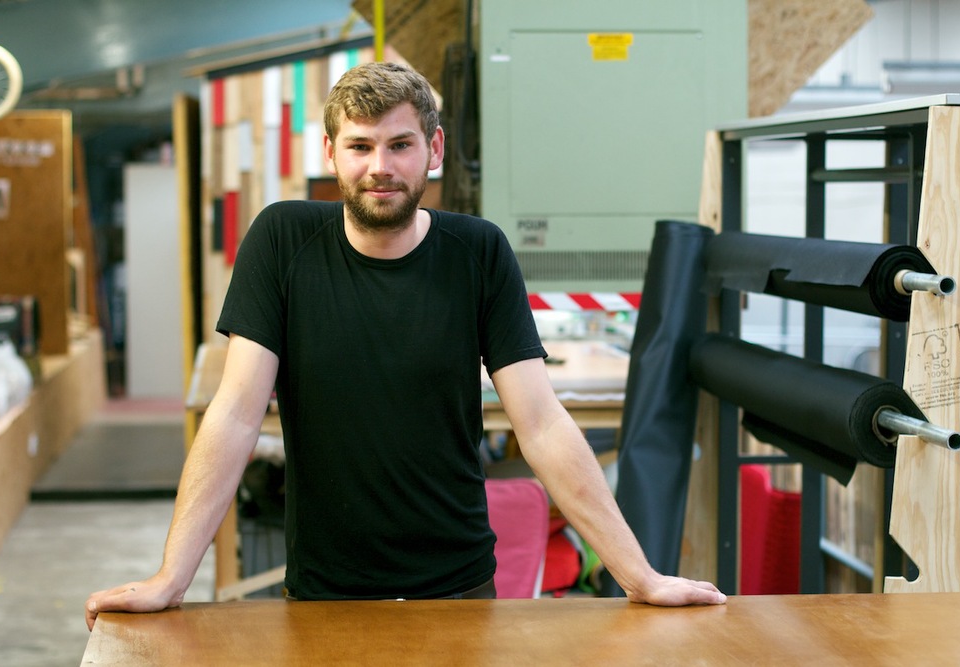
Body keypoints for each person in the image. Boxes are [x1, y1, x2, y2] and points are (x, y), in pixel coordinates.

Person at [85, 61, 724, 630]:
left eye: (400, 145)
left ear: (434, 148)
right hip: (327, 594)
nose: (380, 168)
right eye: (360, 146)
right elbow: (235, 414)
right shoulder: (281, 242)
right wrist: (171, 578)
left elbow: (542, 424)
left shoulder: (479, 252)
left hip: (458, 590)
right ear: (331, 151)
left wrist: (640, 576)